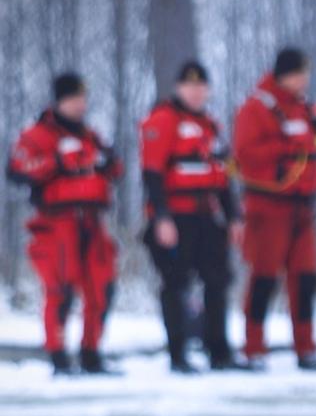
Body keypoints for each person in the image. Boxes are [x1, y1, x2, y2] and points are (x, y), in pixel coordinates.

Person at [8, 72, 123, 375]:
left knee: (102, 286)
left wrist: (105, 162)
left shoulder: (92, 135)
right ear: (59, 100)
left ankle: (91, 352)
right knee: (60, 289)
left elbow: (115, 167)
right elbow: (17, 169)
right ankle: (58, 355)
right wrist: (57, 163)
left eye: (82, 99)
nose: (79, 105)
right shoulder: (37, 135)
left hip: (93, 221)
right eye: (73, 99)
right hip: (57, 222)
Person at [232, 47, 316, 369]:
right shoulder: (257, 108)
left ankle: (306, 347)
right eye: (298, 74)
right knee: (263, 277)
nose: (304, 81)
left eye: (306, 74)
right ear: (283, 74)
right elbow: (246, 153)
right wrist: (294, 146)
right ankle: (253, 347)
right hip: (268, 207)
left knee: (305, 278)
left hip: (303, 208)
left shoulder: (305, 109)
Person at [139, 60, 240, 374]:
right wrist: (161, 219)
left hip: (207, 217)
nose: (196, 92)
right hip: (176, 217)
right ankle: (178, 354)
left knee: (218, 281)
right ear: (178, 89)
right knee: (176, 283)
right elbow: (152, 174)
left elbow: (224, 177)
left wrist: (234, 217)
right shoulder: (164, 120)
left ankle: (219, 352)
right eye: (189, 86)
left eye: (201, 86)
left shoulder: (212, 127)